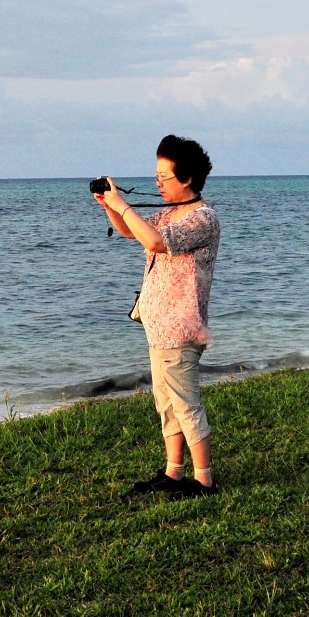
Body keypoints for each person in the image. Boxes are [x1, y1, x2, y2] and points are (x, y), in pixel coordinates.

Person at [93, 135, 222, 499]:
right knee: (165, 403)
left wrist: (123, 204)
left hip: (182, 327)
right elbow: (130, 230)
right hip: (158, 325)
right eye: (157, 176)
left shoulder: (202, 219)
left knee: (186, 404)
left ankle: (204, 480)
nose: (158, 184)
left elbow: (154, 242)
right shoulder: (167, 214)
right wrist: (109, 204)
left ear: (187, 179)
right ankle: (174, 472)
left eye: (163, 177)